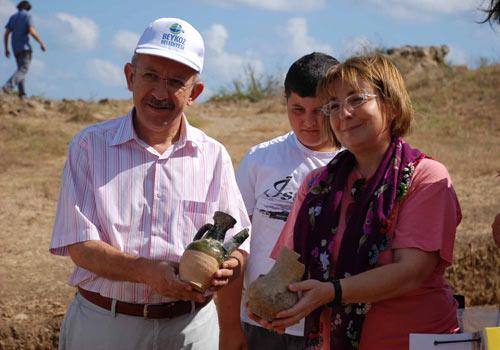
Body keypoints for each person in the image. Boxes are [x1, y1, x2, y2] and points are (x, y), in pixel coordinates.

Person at [50, 17, 250, 350]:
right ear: (130, 76)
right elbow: (80, 245)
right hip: (106, 327)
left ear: (194, 93)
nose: (160, 92)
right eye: (150, 76)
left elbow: (238, 244)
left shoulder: (213, 155)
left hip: (192, 329)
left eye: (175, 81)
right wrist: (147, 272)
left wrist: (229, 266)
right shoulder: (89, 146)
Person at [251, 54, 462, 350]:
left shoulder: (425, 177)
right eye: (334, 105)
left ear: (389, 103)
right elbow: (290, 268)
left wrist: (332, 292)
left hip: (415, 340)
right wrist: (268, 301)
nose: (344, 113)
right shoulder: (316, 185)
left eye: (356, 99)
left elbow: (410, 273)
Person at [236, 52, 340, 350]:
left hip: (326, 326)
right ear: (285, 102)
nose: (308, 121)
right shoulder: (260, 159)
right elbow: (236, 243)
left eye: (320, 110)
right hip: (259, 322)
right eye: (297, 109)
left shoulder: (354, 163)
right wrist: (230, 323)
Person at [2, 1, 46, 99]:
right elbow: (31, 31)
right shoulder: (28, 16)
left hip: (15, 48)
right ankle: (8, 87)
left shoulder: (13, 17)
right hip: (25, 48)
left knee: (20, 71)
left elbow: (6, 34)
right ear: (28, 8)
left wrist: (6, 48)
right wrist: (41, 43)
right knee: (23, 70)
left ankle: (22, 95)